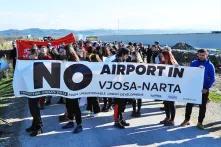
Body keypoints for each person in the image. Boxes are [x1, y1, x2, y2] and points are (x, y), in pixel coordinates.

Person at [180, 49, 215, 129]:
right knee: (189, 104)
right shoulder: (193, 63)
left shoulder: (210, 65)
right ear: (197, 55)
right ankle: (187, 119)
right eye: (200, 55)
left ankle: (200, 122)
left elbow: (212, 79)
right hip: (193, 88)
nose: (201, 56)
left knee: (202, 106)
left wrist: (206, 88)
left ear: (207, 55)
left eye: (203, 55)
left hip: (204, 89)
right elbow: (189, 74)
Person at [61, 44, 83, 133]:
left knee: (75, 106)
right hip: (67, 85)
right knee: (68, 105)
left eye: (63, 51)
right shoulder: (66, 59)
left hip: (73, 87)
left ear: (68, 51)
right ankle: (71, 121)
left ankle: (79, 124)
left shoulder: (74, 60)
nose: (62, 52)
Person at [26, 44, 43, 136]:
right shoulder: (28, 61)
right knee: (31, 107)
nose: (32, 53)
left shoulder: (40, 61)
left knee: (35, 108)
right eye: (31, 51)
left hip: (37, 87)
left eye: (34, 51)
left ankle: (39, 127)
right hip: (30, 87)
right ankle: (34, 125)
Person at [159, 46, 178, 126]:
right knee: (166, 103)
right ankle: (167, 117)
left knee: (171, 103)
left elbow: (180, 73)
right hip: (164, 86)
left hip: (172, 86)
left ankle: (172, 120)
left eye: (164, 55)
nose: (162, 57)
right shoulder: (162, 63)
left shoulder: (174, 63)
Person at [113, 47, 130, 129]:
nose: (128, 56)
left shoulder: (123, 61)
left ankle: (121, 119)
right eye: (127, 55)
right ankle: (116, 121)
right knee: (118, 104)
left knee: (123, 104)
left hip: (123, 86)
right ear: (123, 54)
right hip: (117, 87)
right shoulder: (115, 61)